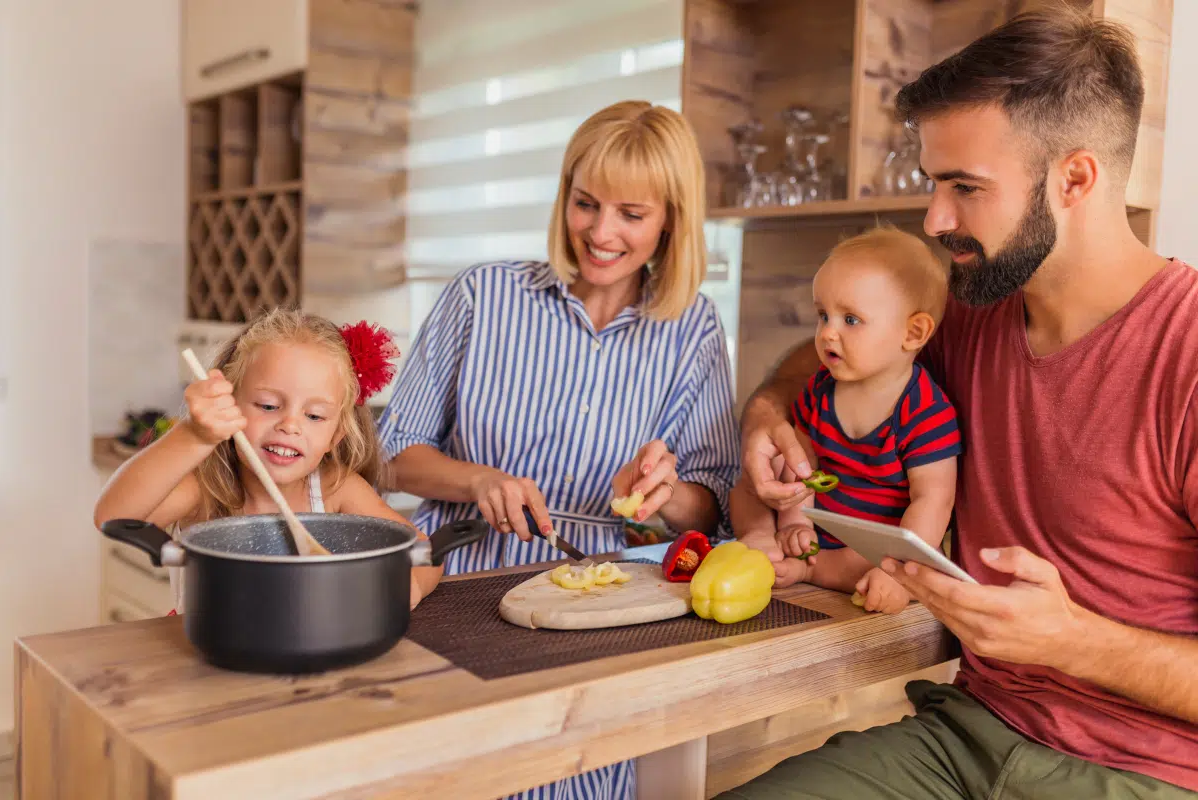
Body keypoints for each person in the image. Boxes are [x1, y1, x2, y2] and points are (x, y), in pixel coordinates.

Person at [724, 8, 1198, 799]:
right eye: (933, 184)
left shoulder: (1184, 352)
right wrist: (770, 414)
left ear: (1074, 179)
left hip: (1147, 774)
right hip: (964, 736)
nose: (935, 220)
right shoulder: (968, 313)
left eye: (965, 188)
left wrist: (1074, 642)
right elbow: (834, 356)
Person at [378, 99, 740, 799]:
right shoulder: (483, 296)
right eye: (585, 203)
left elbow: (712, 502)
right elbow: (392, 453)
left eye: (631, 214)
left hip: (600, 610)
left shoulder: (691, 329)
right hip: (451, 593)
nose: (600, 233)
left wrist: (666, 495)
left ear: (670, 221)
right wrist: (478, 480)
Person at [93, 308, 440, 612]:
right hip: (209, 656)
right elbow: (114, 517)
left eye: (315, 416)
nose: (289, 425)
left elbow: (427, 553)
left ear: (336, 437)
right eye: (268, 406)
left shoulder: (336, 489)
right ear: (230, 405)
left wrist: (410, 587)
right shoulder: (205, 490)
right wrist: (194, 435)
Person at [731, 226, 961, 615]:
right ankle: (775, 545)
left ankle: (810, 570)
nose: (827, 333)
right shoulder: (822, 388)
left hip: (877, 550)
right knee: (754, 477)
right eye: (823, 315)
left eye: (850, 320)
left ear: (913, 332)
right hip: (822, 529)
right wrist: (793, 523)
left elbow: (933, 502)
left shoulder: (925, 412)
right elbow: (800, 464)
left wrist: (900, 572)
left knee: (882, 565)